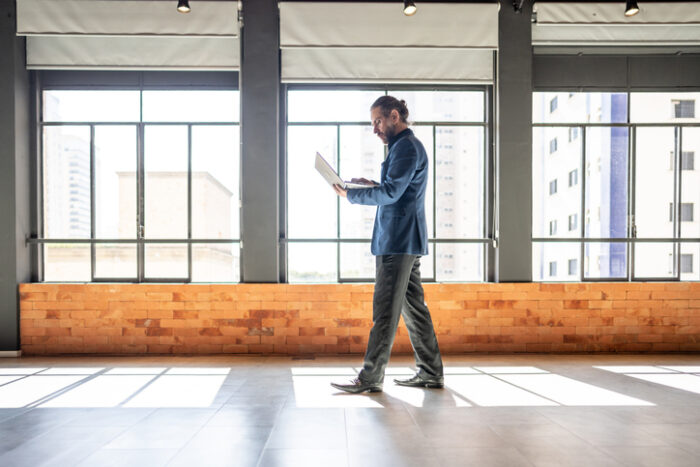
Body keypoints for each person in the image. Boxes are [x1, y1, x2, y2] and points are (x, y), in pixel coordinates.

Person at [330, 96, 444, 394]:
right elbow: (397, 190)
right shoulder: (404, 147)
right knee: (414, 309)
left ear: (394, 116)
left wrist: (351, 195)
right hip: (405, 238)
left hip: (397, 240)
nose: (375, 130)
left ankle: (370, 378)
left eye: (378, 122)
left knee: (385, 311)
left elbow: (392, 194)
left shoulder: (406, 147)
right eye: (373, 124)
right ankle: (431, 372)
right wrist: (369, 186)